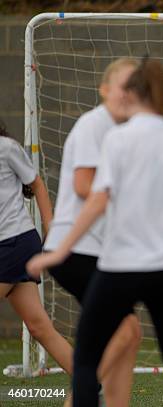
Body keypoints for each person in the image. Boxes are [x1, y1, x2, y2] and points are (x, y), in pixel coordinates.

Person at [27, 57, 163, 407]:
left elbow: (99, 200)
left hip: (117, 265)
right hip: (152, 267)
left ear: (133, 93)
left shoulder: (120, 138)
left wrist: (56, 251)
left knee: (102, 351)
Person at [42, 58, 142, 407]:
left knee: (128, 334)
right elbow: (85, 185)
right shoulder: (93, 125)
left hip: (98, 251)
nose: (128, 94)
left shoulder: (127, 133)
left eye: (136, 87)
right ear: (104, 89)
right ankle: (77, 399)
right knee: (126, 330)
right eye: (122, 86)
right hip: (74, 249)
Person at [0, 122, 73, 377]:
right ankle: (91, 381)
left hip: (15, 243)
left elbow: (37, 185)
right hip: (10, 247)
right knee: (39, 326)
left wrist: (52, 229)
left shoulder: (6, 148)